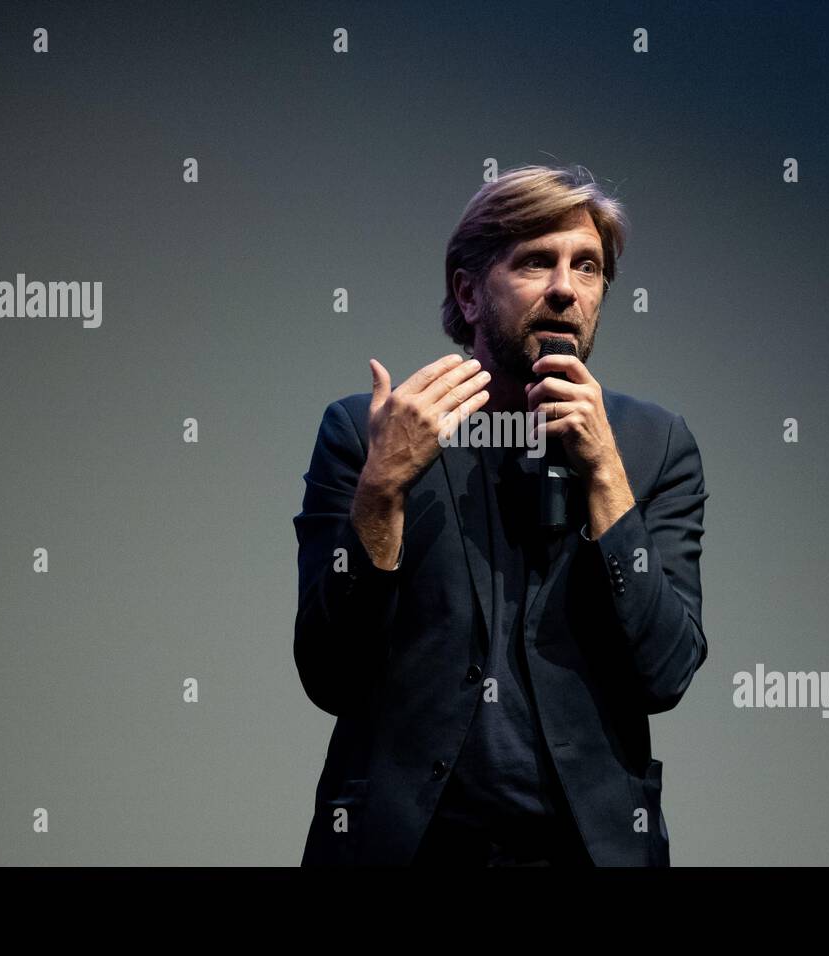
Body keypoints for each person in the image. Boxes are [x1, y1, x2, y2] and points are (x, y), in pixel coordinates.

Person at [293, 165, 708, 866]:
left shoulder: (652, 447)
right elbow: (329, 673)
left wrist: (605, 475)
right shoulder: (373, 433)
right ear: (468, 291)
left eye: (588, 267)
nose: (564, 289)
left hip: (585, 852)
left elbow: (665, 674)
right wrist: (382, 487)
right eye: (536, 262)